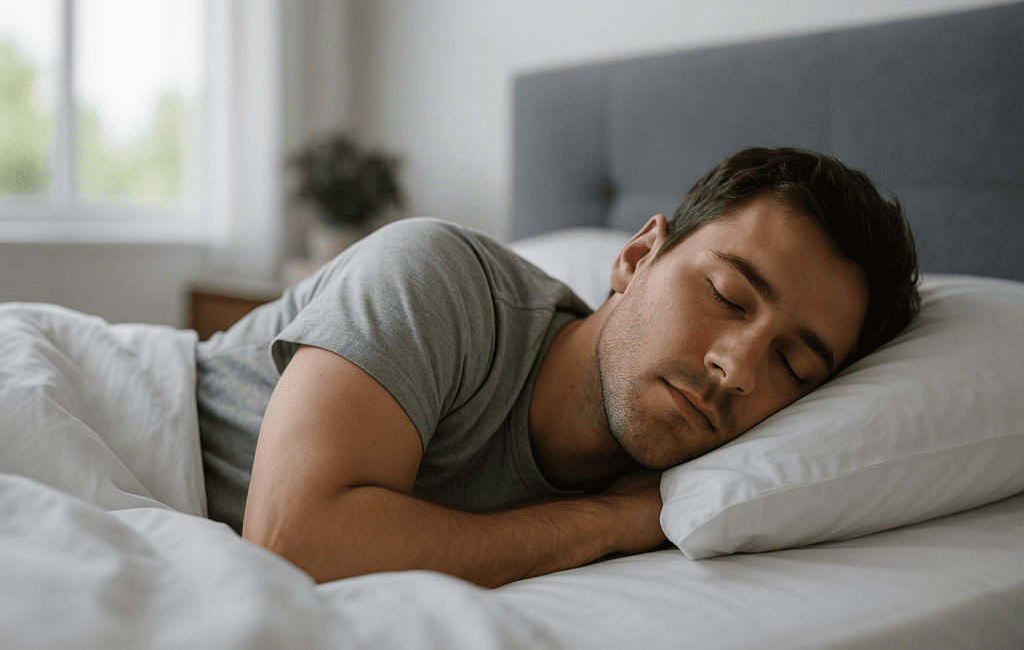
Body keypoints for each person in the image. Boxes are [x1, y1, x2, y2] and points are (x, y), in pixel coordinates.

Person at [195, 146, 919, 588]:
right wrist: (608, 522)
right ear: (638, 257)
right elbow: (295, 539)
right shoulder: (437, 276)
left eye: (791, 364)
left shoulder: (704, 487)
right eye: (728, 294)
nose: (737, 370)